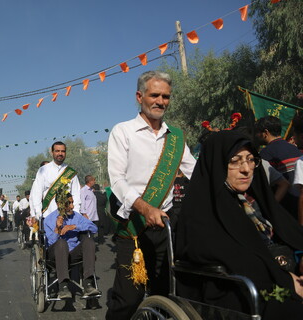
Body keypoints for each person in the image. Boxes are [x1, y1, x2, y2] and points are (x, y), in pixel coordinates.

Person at [175, 130, 303, 319]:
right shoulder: (201, 210)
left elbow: (289, 231)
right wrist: (284, 280)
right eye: (235, 161)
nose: (246, 169)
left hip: (273, 275)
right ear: (218, 164)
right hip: (232, 290)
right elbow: (227, 257)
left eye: (251, 160)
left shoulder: (252, 198)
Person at [106, 71, 196, 319]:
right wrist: (145, 208)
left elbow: (195, 172)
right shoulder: (122, 131)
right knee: (128, 298)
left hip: (165, 225)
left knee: (166, 294)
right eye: (154, 95)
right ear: (139, 97)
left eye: (166, 96)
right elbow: (118, 180)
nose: (161, 101)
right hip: (134, 228)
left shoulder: (176, 138)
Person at [44, 191, 100, 299]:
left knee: (89, 241)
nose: (72, 206)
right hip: (55, 256)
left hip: (72, 254)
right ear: (60, 204)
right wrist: (57, 229)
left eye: (72, 202)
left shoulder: (76, 217)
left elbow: (94, 228)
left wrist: (74, 226)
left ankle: (88, 284)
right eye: (68, 203)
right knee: (61, 243)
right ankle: (63, 287)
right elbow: (50, 242)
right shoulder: (49, 219)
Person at [255, 116, 301, 219]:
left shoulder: (266, 153)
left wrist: (270, 209)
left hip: (285, 208)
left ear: (265, 133)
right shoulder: (294, 149)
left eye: (257, 132)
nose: (256, 136)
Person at [80, 175, 101, 243]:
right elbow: (82, 202)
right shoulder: (84, 190)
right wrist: (84, 213)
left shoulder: (91, 190)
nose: (94, 182)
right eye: (93, 180)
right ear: (90, 181)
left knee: (92, 233)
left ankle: (90, 246)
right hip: (88, 215)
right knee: (86, 234)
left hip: (93, 215)